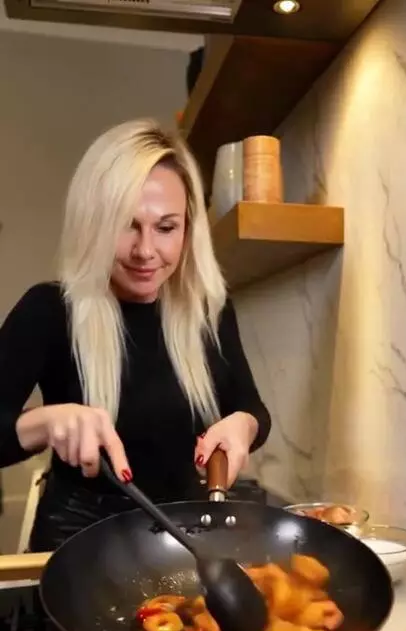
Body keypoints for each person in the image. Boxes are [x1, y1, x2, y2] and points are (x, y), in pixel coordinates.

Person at [0, 119, 271, 552]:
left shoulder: (210, 312)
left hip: (183, 537)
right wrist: (43, 424)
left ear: (188, 228)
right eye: (126, 225)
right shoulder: (49, 310)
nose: (145, 251)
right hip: (77, 539)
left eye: (166, 227)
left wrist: (245, 425)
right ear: (94, 224)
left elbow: (251, 408)